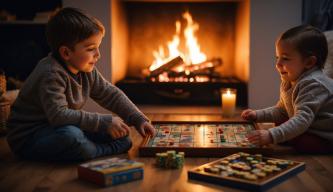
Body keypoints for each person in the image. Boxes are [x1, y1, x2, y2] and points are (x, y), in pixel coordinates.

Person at [6, 7, 156, 161]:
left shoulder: (86, 69)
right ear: (66, 53)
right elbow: (59, 115)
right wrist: (104, 122)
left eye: (98, 47)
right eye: (91, 49)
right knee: (72, 136)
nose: (98, 55)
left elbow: (110, 94)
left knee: (122, 137)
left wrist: (138, 119)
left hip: (58, 127)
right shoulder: (50, 73)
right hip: (29, 138)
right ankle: (92, 150)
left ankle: (89, 148)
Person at [241, 25, 333, 153]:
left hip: (326, 134)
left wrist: (271, 135)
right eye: (277, 58)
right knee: (280, 123)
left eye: (285, 58)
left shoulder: (314, 84)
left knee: (303, 142)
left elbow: (301, 120)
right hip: (310, 126)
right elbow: (282, 110)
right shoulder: (289, 80)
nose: (278, 64)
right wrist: (257, 115)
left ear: (309, 63)